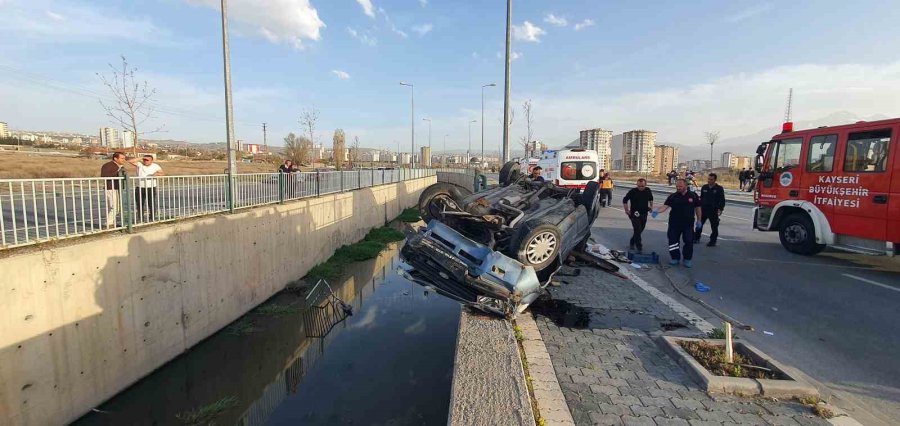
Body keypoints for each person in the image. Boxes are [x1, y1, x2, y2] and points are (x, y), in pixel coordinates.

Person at [651, 179, 701, 268]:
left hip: (688, 224)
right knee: (673, 241)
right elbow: (665, 206)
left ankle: (687, 259)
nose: (678, 188)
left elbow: (698, 208)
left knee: (689, 241)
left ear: (686, 186)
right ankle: (675, 258)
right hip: (674, 223)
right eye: (677, 186)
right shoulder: (673, 196)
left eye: (680, 186)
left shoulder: (693, 196)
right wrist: (658, 211)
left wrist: (699, 220)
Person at [129, 154, 163, 221]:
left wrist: (156, 174)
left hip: (151, 187)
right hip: (140, 187)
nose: (145, 161)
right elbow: (130, 161)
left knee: (151, 203)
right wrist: (141, 157)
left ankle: (152, 218)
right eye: (144, 160)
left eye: (147, 160)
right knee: (139, 203)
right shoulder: (140, 164)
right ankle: (140, 218)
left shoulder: (155, 166)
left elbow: (162, 173)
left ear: (151, 160)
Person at [622, 178, 653, 252]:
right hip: (634, 214)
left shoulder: (648, 190)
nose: (640, 188)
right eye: (639, 186)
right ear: (637, 185)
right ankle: (639, 246)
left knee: (640, 229)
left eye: (642, 186)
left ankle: (632, 241)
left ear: (645, 185)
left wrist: (651, 207)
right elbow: (625, 200)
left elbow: (651, 199)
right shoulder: (633, 191)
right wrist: (626, 210)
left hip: (644, 213)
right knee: (637, 229)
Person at [695, 173, 726, 247]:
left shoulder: (719, 188)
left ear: (715, 180)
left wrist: (720, 209)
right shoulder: (704, 187)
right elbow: (701, 198)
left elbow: (722, 200)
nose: (709, 181)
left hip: (713, 210)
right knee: (699, 224)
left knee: (714, 227)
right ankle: (696, 238)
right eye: (708, 179)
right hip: (704, 209)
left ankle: (713, 241)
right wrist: (698, 206)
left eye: (711, 179)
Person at [100, 152, 127, 228]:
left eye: (124, 158)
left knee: (117, 207)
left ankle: (112, 222)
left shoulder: (120, 166)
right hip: (111, 188)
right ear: (115, 158)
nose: (123, 160)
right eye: (122, 158)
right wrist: (118, 171)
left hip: (118, 188)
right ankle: (108, 223)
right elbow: (104, 176)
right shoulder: (108, 165)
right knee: (114, 206)